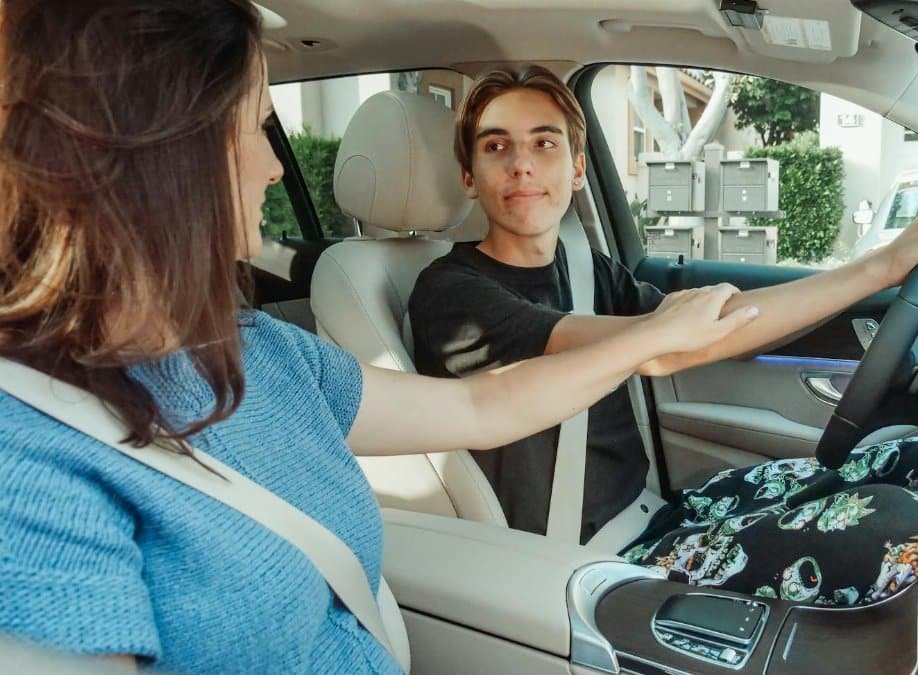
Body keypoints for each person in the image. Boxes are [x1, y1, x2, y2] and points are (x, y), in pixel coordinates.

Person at [0, 2, 758, 671]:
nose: (273, 166)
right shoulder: (30, 459)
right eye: (253, 127)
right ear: (161, 153)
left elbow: (477, 409)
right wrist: (655, 333)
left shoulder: (261, 347)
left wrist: (652, 333)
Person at [409, 65, 918, 602]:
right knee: (899, 529)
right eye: (495, 146)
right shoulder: (452, 294)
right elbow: (661, 348)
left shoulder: (586, 266)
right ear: (468, 175)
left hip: (656, 513)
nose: (522, 164)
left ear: (578, 166)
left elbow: (720, 327)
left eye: (544, 142)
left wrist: (874, 277)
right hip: (591, 559)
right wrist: (880, 266)